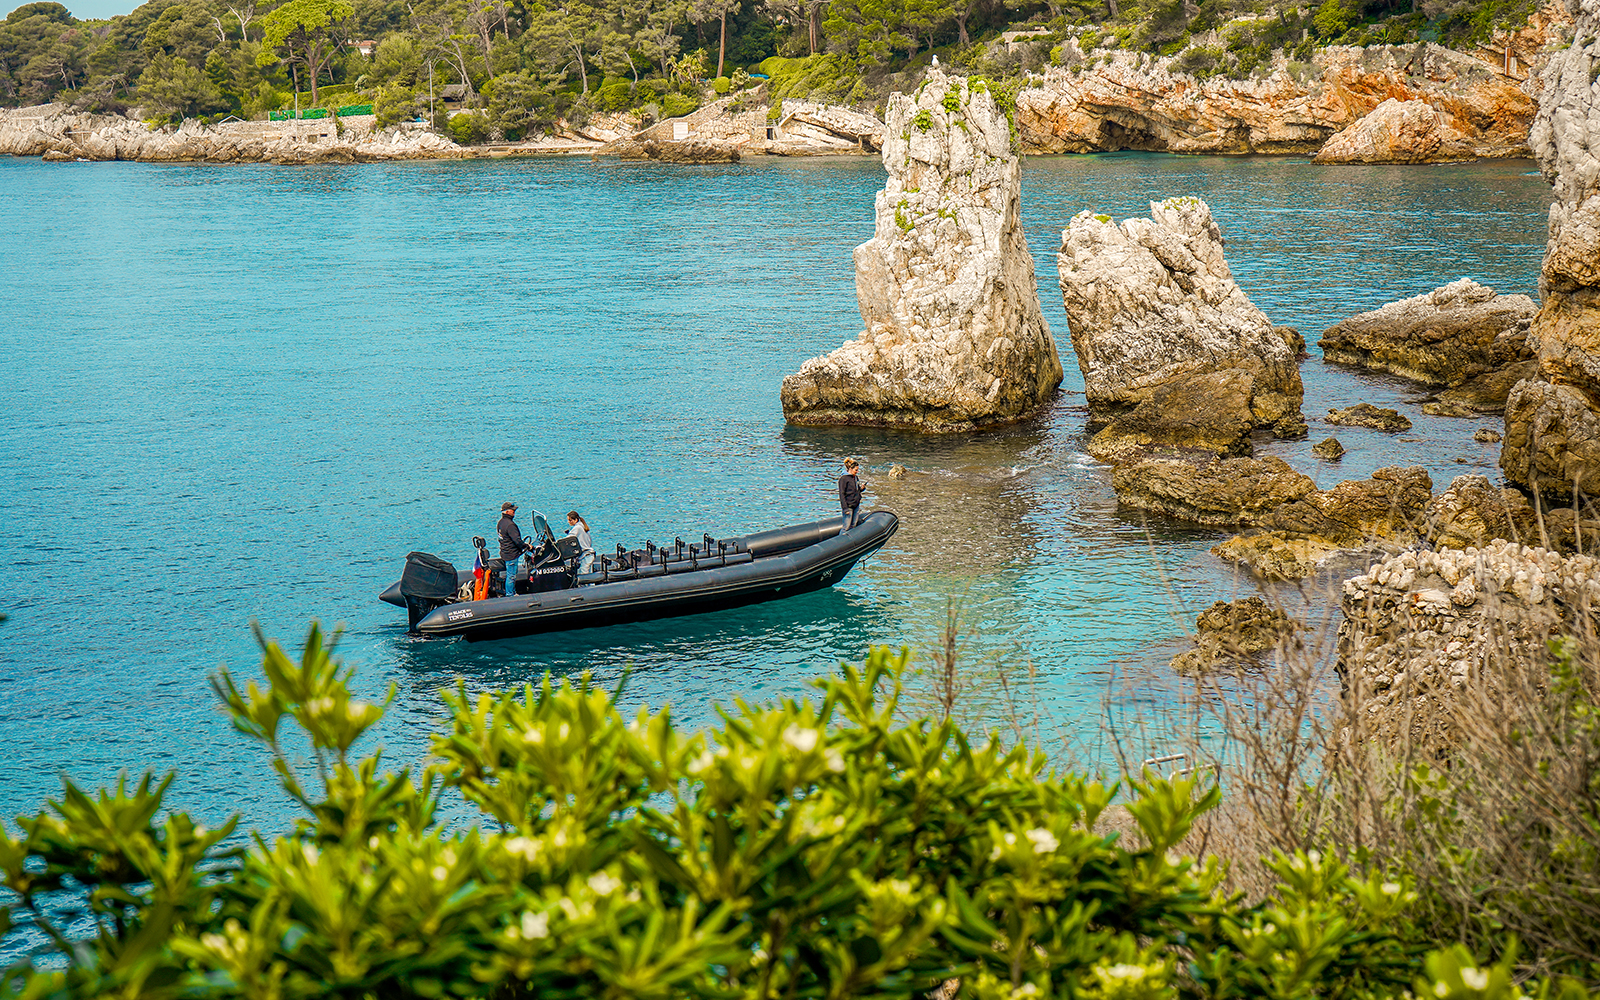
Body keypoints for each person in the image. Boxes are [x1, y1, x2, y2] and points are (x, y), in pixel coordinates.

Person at [496, 502, 532, 594]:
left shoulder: (500, 523)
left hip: (505, 552)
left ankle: (511, 592)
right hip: (511, 554)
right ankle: (510, 594)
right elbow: (517, 541)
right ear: (507, 512)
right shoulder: (510, 525)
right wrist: (527, 546)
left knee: (510, 574)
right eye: (513, 511)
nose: (514, 513)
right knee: (511, 576)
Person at [838, 458, 863, 531]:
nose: (857, 472)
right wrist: (845, 508)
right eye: (856, 470)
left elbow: (856, 490)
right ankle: (841, 540)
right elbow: (842, 494)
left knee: (853, 525)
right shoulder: (843, 479)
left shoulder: (855, 478)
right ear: (851, 469)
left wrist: (861, 488)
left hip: (856, 504)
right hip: (848, 506)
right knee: (846, 527)